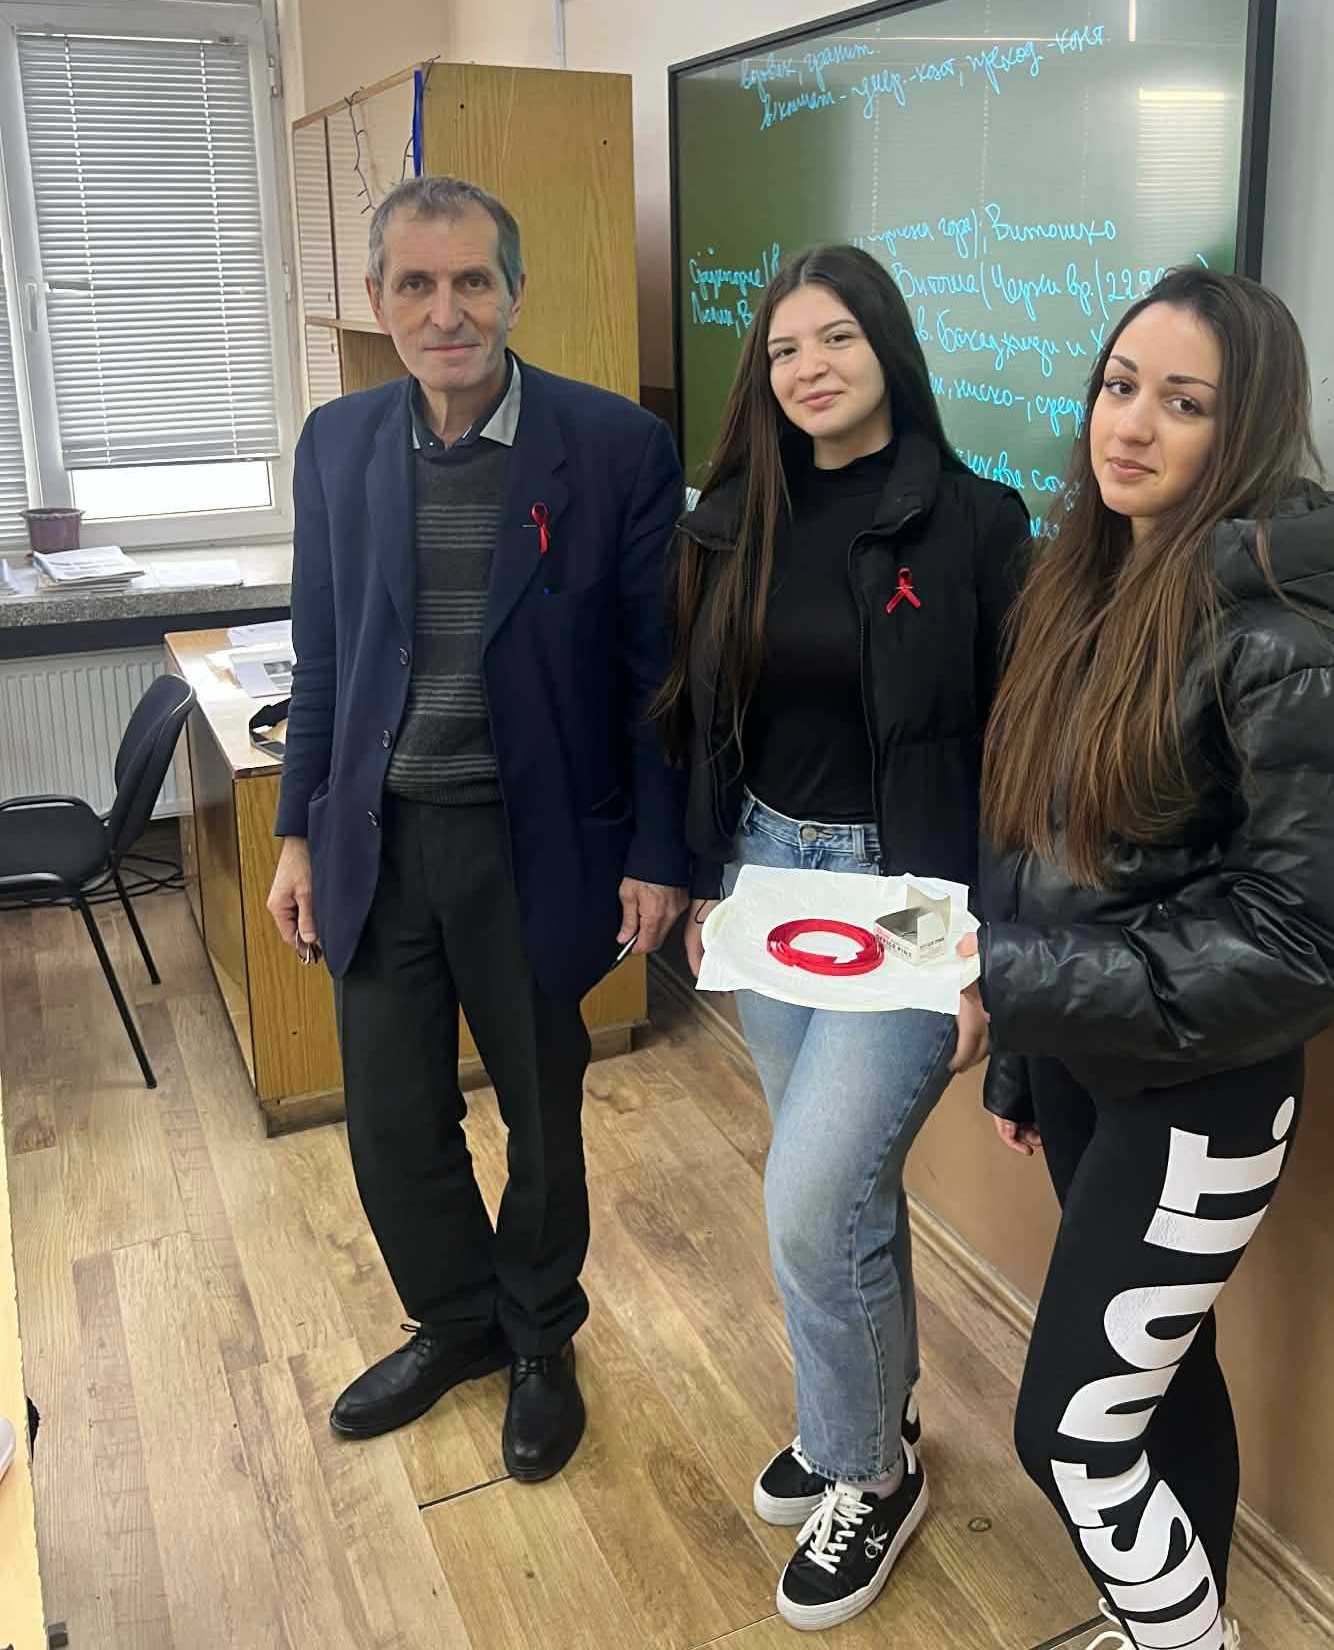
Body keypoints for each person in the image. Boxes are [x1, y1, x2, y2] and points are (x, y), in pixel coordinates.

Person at [967, 270, 1334, 1650]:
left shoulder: (1297, 651)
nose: (1132, 425)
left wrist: (1012, 989)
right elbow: (1052, 849)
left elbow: (1301, 942)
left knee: (1072, 1435)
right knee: (1160, 1388)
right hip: (1092, 1067)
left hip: (1200, 1102)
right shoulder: (1089, 589)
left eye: (1184, 402)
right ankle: (1175, 1613)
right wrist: (1027, 1056)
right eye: (1118, 386)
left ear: (1250, 427)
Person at [267, 175, 687, 1482]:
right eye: (415, 284)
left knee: (542, 1118)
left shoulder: (613, 447)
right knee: (393, 1117)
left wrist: (657, 851)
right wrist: (296, 834)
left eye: (470, 282)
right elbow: (325, 657)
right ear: (380, 298)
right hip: (378, 841)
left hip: (536, 844)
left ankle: (541, 1336)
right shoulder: (339, 444)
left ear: (514, 291)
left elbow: (656, 674)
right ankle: (457, 1322)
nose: (444, 312)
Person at [658, 244, 1032, 1632]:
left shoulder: (975, 522)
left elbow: (1018, 751)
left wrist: (986, 943)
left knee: (811, 1200)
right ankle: (865, 1416)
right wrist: (708, 878)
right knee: (845, 1201)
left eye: (836, 340)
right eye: (783, 350)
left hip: (910, 899)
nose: (808, 369)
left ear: (888, 350)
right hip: (770, 881)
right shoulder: (729, 521)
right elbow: (702, 718)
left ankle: (868, 1473)